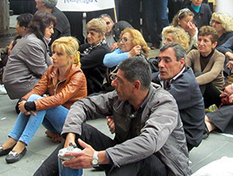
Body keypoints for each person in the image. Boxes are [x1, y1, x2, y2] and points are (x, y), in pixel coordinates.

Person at [33, 57, 190, 176]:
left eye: (119, 80)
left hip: (163, 168)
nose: (113, 83)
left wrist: (97, 157)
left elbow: (149, 142)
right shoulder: (119, 97)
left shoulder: (164, 103)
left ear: (136, 86)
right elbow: (83, 105)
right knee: (82, 132)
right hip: (123, 158)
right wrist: (71, 136)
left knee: (134, 157)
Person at [0, 37, 87, 164]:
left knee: (37, 102)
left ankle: (19, 143)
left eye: (59, 54)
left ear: (70, 58)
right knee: (35, 100)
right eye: (53, 53)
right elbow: (38, 89)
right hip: (56, 120)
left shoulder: (77, 75)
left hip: (72, 122)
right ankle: (14, 141)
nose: (53, 57)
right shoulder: (52, 70)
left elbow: (60, 98)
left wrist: (32, 104)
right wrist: (24, 101)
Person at [153, 43, 205, 150]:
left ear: (181, 63)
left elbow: (155, 104)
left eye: (167, 61)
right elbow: (143, 81)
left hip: (185, 137)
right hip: (171, 128)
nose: (160, 65)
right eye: (159, 60)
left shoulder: (186, 84)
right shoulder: (166, 75)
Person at [2, 11, 56, 99]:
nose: (52, 31)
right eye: (50, 28)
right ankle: (28, 102)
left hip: (22, 79)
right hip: (20, 83)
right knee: (56, 85)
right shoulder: (33, 43)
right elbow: (43, 72)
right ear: (41, 28)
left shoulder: (35, 39)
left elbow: (49, 64)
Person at [186, 26, 225, 108]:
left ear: (214, 44)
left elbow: (212, 74)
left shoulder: (219, 56)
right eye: (199, 40)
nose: (201, 43)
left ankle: (191, 108)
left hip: (215, 93)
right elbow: (183, 70)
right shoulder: (193, 53)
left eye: (205, 41)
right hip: (197, 90)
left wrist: (191, 83)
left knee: (200, 77)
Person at [79, 19, 110, 94]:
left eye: (92, 34)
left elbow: (80, 63)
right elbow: (74, 49)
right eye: (88, 33)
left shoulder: (102, 51)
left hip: (93, 91)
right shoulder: (90, 46)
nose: (88, 36)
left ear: (102, 35)